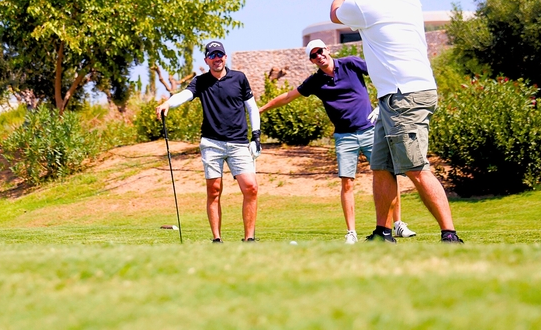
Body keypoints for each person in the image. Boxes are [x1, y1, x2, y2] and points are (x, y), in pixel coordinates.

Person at [330, 0, 463, 243]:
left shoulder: (365, 4)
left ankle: (450, 234)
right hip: (397, 95)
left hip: (406, 96)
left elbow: (335, 14)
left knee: (415, 168)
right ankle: (383, 232)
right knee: (381, 167)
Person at [259, 39, 417, 244]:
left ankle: (397, 224)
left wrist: (382, 104)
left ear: (328, 50)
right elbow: (288, 97)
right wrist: (260, 109)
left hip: (370, 130)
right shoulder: (315, 82)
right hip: (344, 137)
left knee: (387, 176)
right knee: (347, 183)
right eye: (314, 54)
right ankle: (351, 232)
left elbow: (382, 74)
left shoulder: (350, 63)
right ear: (311, 60)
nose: (319, 56)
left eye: (320, 51)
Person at [156, 41, 262, 242]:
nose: (217, 59)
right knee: (214, 190)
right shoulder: (201, 81)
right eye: (212, 56)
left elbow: (252, 108)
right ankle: (217, 239)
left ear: (225, 57)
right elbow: (185, 95)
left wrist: (256, 136)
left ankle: (249, 239)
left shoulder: (239, 78)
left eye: (220, 55)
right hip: (212, 143)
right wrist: (168, 103)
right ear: (206, 60)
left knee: (251, 187)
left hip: (239, 142)